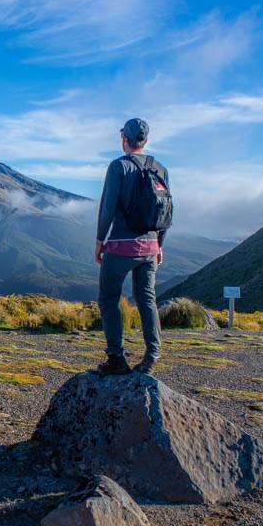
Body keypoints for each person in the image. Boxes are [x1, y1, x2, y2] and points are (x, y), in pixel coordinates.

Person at [94, 117, 169, 376]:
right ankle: (152, 355)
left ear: (124, 139)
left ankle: (116, 358)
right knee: (147, 299)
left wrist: (100, 240)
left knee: (108, 299)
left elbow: (107, 208)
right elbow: (165, 211)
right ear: (145, 141)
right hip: (150, 246)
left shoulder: (118, 167)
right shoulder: (160, 168)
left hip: (120, 246)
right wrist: (159, 244)